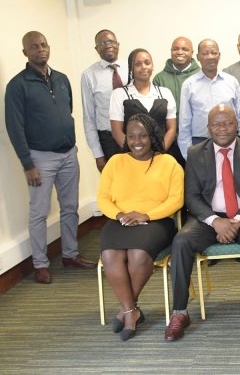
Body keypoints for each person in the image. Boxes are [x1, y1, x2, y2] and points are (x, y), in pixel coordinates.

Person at [165, 105, 240, 340]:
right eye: (217, 124)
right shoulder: (196, 153)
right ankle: (179, 312)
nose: (223, 129)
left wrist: (236, 220)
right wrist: (215, 221)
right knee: (181, 241)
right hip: (209, 218)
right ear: (208, 128)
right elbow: (191, 196)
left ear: (236, 124)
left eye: (228, 123)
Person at [5, 31, 96, 285]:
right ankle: (41, 265)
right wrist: (28, 164)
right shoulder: (18, 85)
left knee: (70, 207)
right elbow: (14, 127)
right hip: (39, 159)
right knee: (39, 212)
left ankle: (70, 254)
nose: (40, 49)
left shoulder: (61, 79)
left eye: (44, 45)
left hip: (68, 154)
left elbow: (67, 111)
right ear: (25, 52)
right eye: (34, 47)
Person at [97, 114, 184, 341]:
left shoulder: (168, 163)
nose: (137, 141)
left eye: (143, 136)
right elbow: (103, 197)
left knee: (138, 254)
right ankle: (131, 311)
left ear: (152, 136)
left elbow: (176, 199)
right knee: (110, 255)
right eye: (132, 136)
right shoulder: (115, 162)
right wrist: (120, 214)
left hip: (156, 221)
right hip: (120, 220)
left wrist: (146, 215)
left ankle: (127, 311)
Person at [177, 39, 240, 159]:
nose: (210, 57)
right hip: (200, 142)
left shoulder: (232, 82)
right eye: (205, 53)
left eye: (213, 53)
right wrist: (188, 155)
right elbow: (184, 123)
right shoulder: (189, 85)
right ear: (198, 57)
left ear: (219, 55)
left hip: (230, 141)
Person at [109, 48, 180, 163]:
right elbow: (117, 132)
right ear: (131, 68)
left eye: (147, 63)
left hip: (162, 156)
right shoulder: (119, 94)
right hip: (132, 158)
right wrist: (136, 154)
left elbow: (172, 128)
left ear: (152, 66)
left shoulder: (165, 93)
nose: (143, 67)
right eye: (138, 64)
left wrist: (160, 152)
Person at [81, 29, 127, 172]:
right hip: (108, 141)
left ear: (118, 44)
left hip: (134, 136)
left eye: (111, 41)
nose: (108, 45)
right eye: (102, 43)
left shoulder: (131, 67)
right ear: (96, 49)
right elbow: (89, 117)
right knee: (115, 182)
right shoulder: (89, 75)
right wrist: (98, 154)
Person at [153, 36, 200, 110]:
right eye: (175, 49)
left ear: (192, 53)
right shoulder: (159, 79)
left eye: (185, 49)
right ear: (171, 51)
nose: (180, 52)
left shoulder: (201, 76)